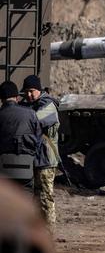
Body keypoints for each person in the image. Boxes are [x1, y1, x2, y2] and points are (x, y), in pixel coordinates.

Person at [21, 75, 60, 229]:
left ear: (39, 90)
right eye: (26, 92)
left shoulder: (48, 105)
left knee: (45, 199)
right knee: (36, 200)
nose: (29, 95)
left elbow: (33, 122)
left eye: (31, 91)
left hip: (46, 160)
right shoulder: (32, 105)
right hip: (35, 159)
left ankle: (49, 233)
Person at [0, 81, 43, 193]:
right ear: (17, 97)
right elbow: (39, 141)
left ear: (1, 99)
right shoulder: (31, 114)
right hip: (26, 168)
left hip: (3, 169)